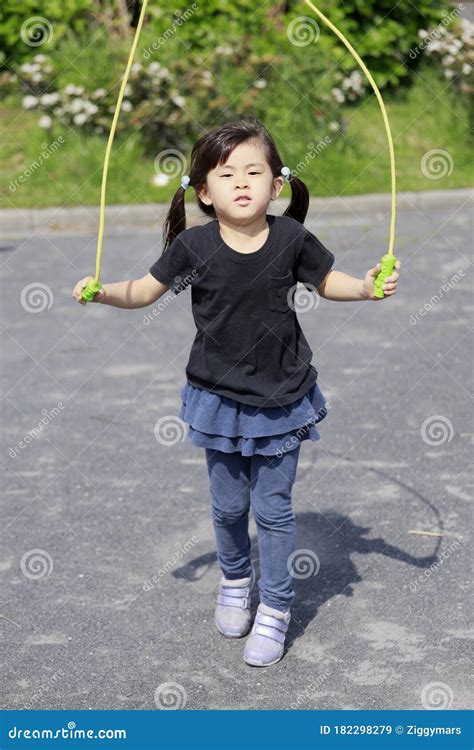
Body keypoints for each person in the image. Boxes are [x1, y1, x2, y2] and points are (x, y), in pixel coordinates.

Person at [73, 115, 400, 667]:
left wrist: (367, 288)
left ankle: (275, 607)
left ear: (278, 184)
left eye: (255, 171)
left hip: (281, 396)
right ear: (203, 191)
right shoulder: (194, 246)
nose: (242, 182)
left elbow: (328, 281)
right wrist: (103, 292)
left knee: (272, 510)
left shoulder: (292, 237)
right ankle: (234, 580)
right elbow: (143, 291)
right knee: (227, 509)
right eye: (227, 174)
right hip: (217, 399)